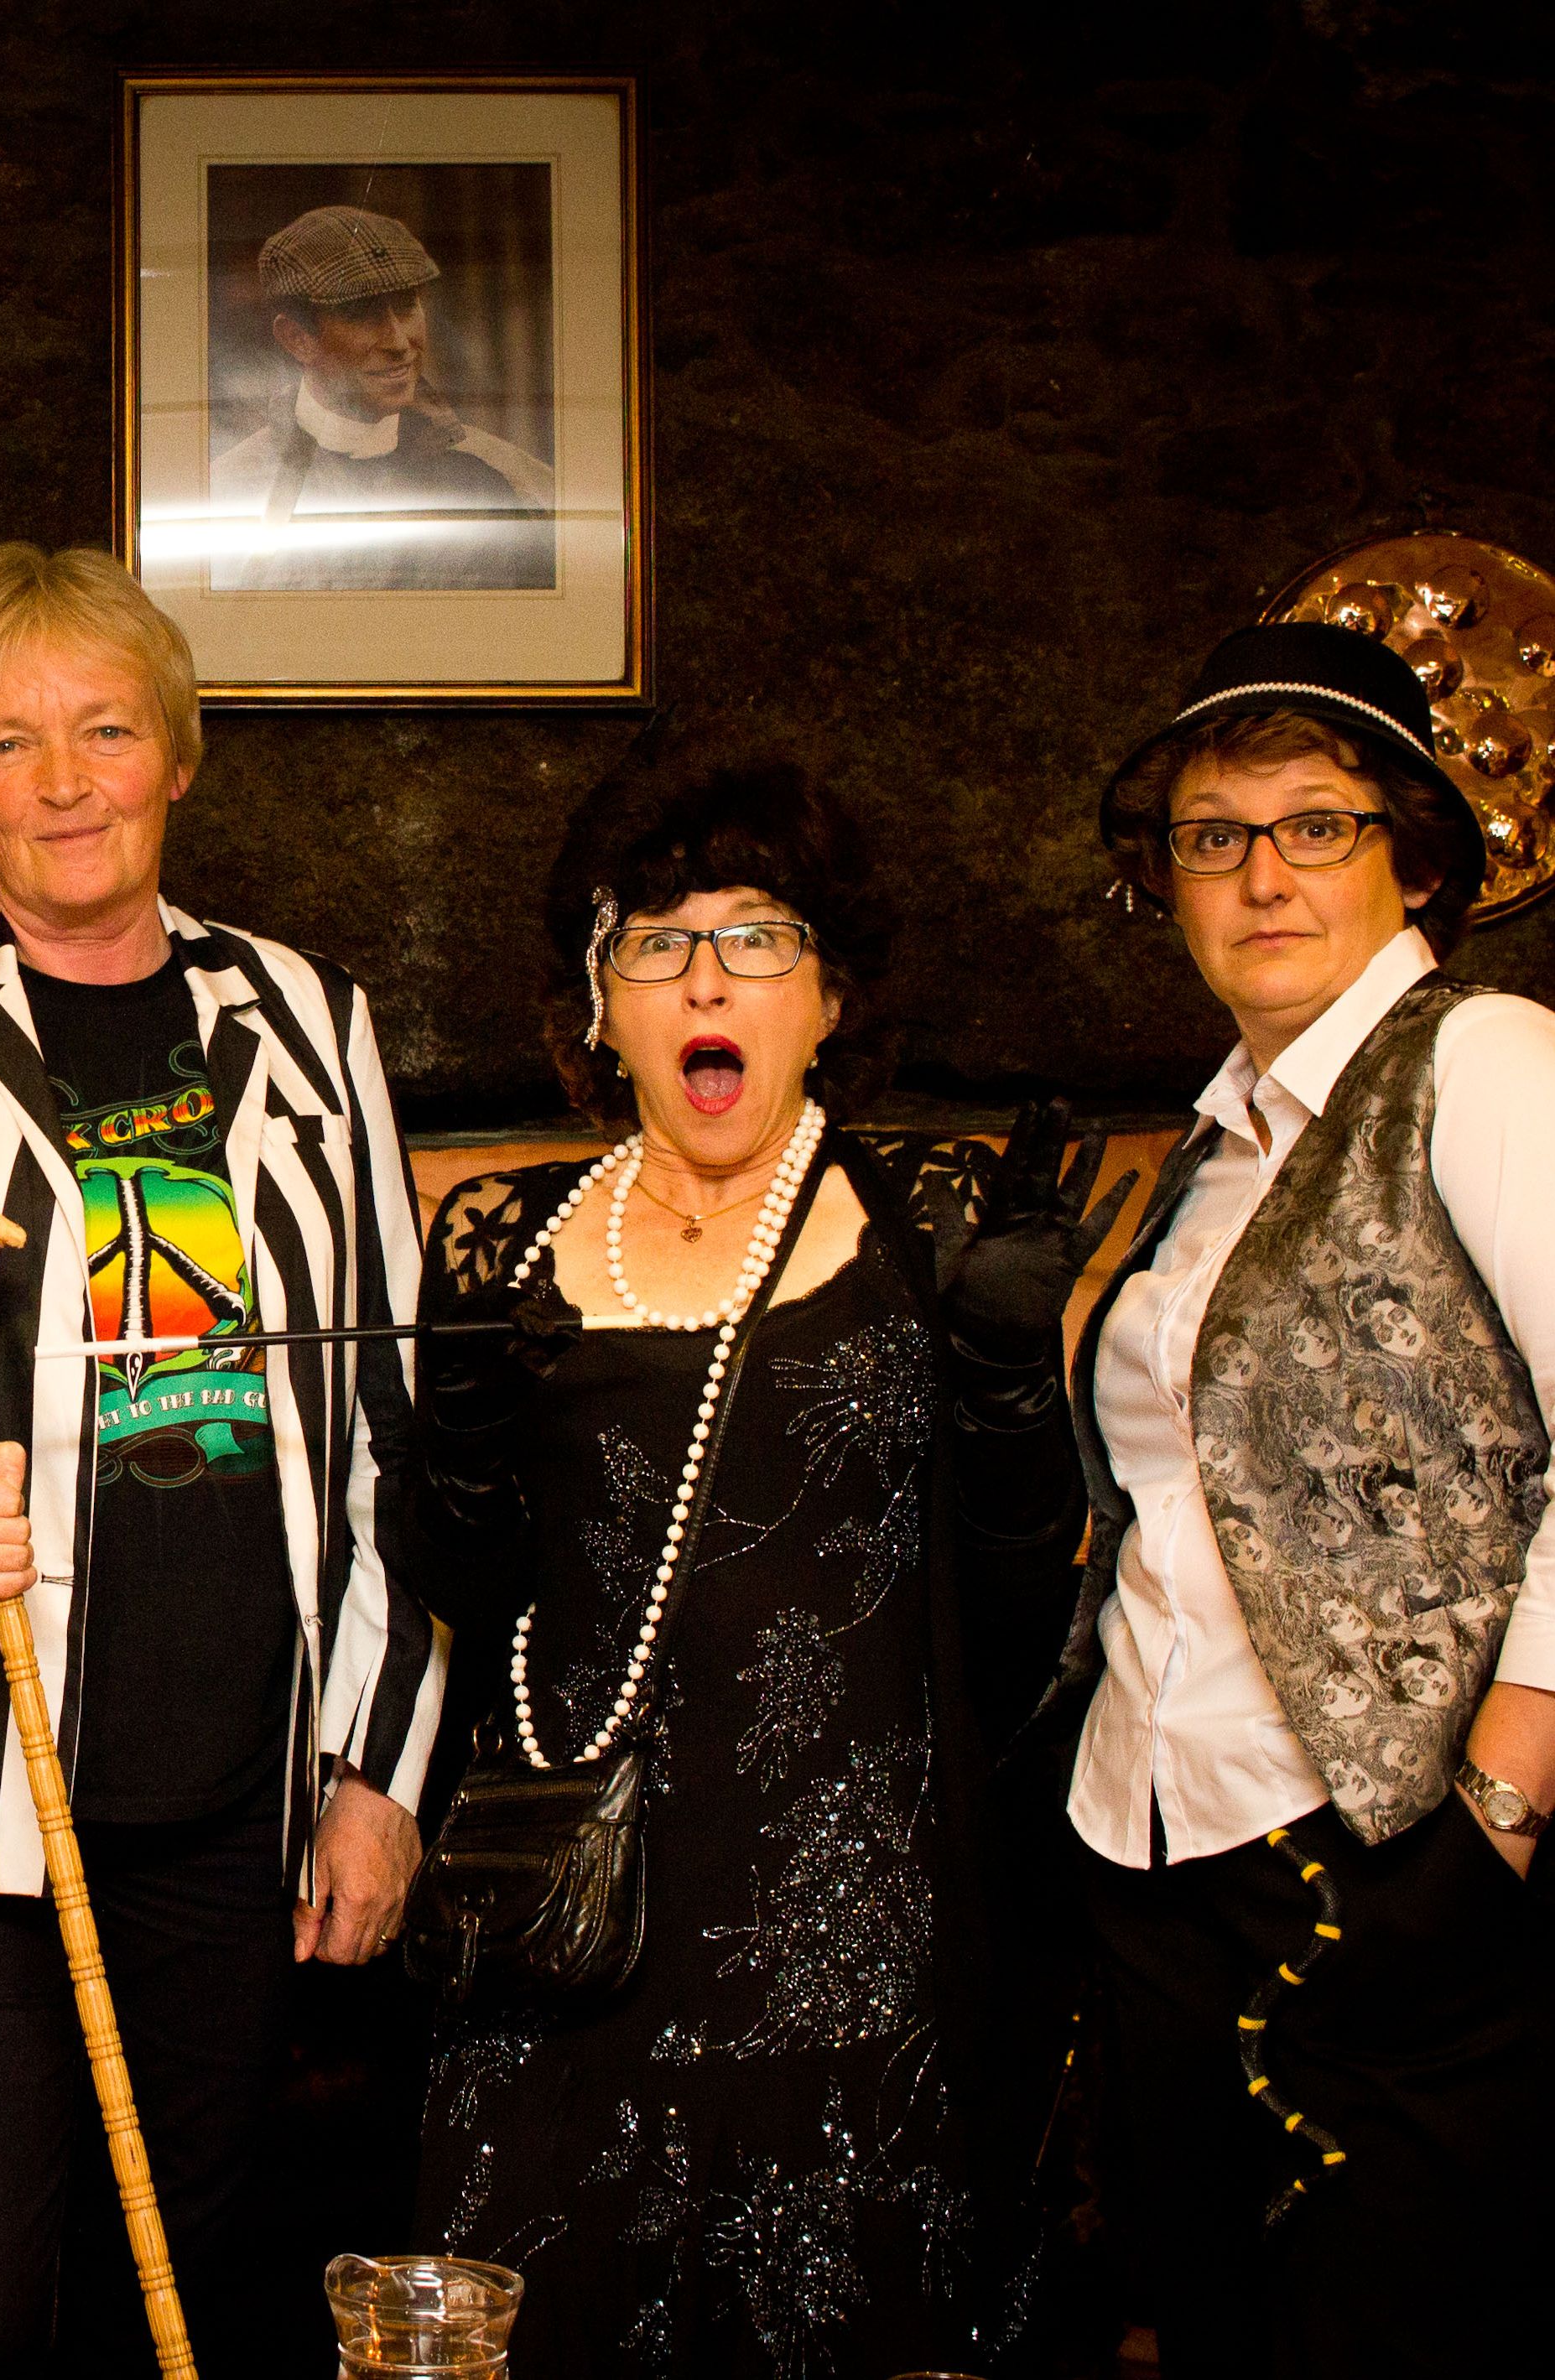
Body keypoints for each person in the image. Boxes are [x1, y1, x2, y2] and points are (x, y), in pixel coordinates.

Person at [0, 540, 440, 2372]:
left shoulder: (309, 1019)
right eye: (9, 741)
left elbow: (392, 1424)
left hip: (229, 1802)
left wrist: (378, 1772)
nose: (62, 782)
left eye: (106, 729)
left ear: (179, 754)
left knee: (177, 2290)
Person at [403, 769, 1123, 2377]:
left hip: (855, 1988)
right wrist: (451, 1441)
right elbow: (470, 1592)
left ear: (830, 995)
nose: (707, 978)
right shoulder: (505, 1242)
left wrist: (1007, 1394)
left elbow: (1017, 1612)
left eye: (755, 936)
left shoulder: (918, 1227)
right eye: (655, 943)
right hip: (565, 1961)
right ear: (597, 1005)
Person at [1064, 621, 1555, 2377]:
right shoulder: (1208, 1147)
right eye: (1215, 833)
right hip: (1154, 1844)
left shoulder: (1483, 1061)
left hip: (1392, 1847)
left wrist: (1501, 1798)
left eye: (1316, 823)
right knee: (1206, 2327)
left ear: (1412, 852)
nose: (1262, 873)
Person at [212, 204, 556, 593]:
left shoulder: (511, 481)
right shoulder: (227, 494)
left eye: (408, 305)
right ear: (297, 338)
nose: (398, 342)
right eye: (361, 314)